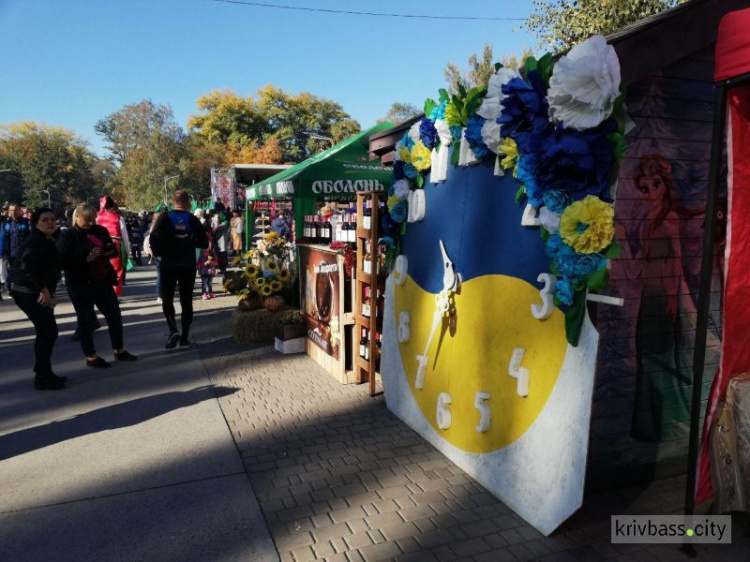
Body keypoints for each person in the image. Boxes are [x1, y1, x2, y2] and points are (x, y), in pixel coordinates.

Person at [57, 203, 138, 368]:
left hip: (102, 280)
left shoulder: (99, 230)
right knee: (86, 320)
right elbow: (62, 261)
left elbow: (113, 250)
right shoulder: (69, 235)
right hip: (80, 283)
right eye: (87, 220)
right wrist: (85, 259)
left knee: (114, 316)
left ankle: (119, 350)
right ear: (77, 217)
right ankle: (91, 356)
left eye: (94, 219)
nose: (91, 223)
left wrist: (108, 251)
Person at [10, 207, 66, 390]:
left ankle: (44, 372)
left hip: (36, 290)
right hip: (26, 291)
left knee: (47, 331)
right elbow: (25, 268)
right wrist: (43, 290)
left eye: (52, 219)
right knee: (48, 330)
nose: (50, 222)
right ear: (36, 223)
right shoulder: (35, 241)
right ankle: (42, 375)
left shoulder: (47, 240)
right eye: (45, 219)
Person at [150, 190, 208, 349]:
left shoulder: (164, 217)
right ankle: (184, 338)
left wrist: (160, 254)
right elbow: (204, 243)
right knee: (186, 301)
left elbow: (153, 239)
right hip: (187, 265)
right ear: (188, 203)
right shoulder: (193, 219)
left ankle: (172, 329)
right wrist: (189, 242)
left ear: (172, 202)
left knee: (167, 299)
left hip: (168, 265)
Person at [97, 195, 130, 297]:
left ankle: (103, 292)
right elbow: (125, 236)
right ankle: (115, 294)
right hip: (115, 245)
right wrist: (128, 251)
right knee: (117, 270)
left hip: (99, 245)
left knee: (101, 269)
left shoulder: (97, 217)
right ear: (112, 206)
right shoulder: (118, 217)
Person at [2, 203, 32, 297]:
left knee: (24, 272)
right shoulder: (6, 224)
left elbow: (31, 238)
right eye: (11, 210)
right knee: (11, 274)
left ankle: (24, 291)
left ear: (20, 211)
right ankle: (11, 290)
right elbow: (3, 239)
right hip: (10, 255)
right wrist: (5, 256)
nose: (13, 212)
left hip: (23, 254)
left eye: (15, 210)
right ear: (8, 212)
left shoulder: (27, 222)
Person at [197, 234, 217, 300]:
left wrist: (211, 262)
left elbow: (216, 262)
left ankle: (210, 292)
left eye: (208, 247)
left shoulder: (212, 255)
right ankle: (204, 293)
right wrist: (204, 263)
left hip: (210, 271)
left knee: (210, 282)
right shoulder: (201, 256)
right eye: (205, 248)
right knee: (204, 283)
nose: (206, 249)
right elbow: (198, 263)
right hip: (203, 271)